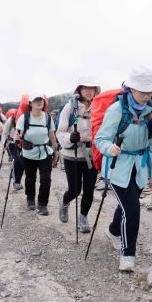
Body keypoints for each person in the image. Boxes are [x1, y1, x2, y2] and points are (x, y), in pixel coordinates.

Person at [95, 66, 152, 272]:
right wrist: (110, 148)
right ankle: (127, 255)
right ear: (131, 88)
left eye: (149, 91)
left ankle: (113, 231)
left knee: (126, 206)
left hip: (140, 167)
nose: (146, 95)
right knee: (132, 209)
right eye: (142, 91)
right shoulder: (117, 109)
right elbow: (100, 138)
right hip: (118, 167)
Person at [57, 78, 101, 232]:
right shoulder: (71, 107)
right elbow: (60, 132)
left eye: (92, 88)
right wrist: (70, 138)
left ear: (96, 90)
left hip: (91, 154)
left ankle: (83, 218)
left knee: (89, 190)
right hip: (72, 154)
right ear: (79, 90)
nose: (89, 91)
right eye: (85, 88)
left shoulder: (99, 107)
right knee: (75, 190)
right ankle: (64, 201)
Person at [15, 94, 58, 215]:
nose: (39, 102)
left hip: (45, 152)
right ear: (30, 103)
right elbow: (18, 134)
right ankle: (30, 199)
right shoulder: (24, 118)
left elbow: (52, 135)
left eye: (41, 100)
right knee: (30, 177)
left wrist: (55, 150)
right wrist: (18, 137)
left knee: (46, 179)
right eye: (36, 100)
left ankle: (43, 204)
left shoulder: (48, 118)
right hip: (29, 153)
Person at [1, 110, 25, 190]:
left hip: (23, 143)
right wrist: (4, 144)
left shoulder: (26, 118)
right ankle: (16, 181)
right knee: (17, 160)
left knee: (22, 162)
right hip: (12, 143)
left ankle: (16, 178)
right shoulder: (10, 120)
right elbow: (4, 133)